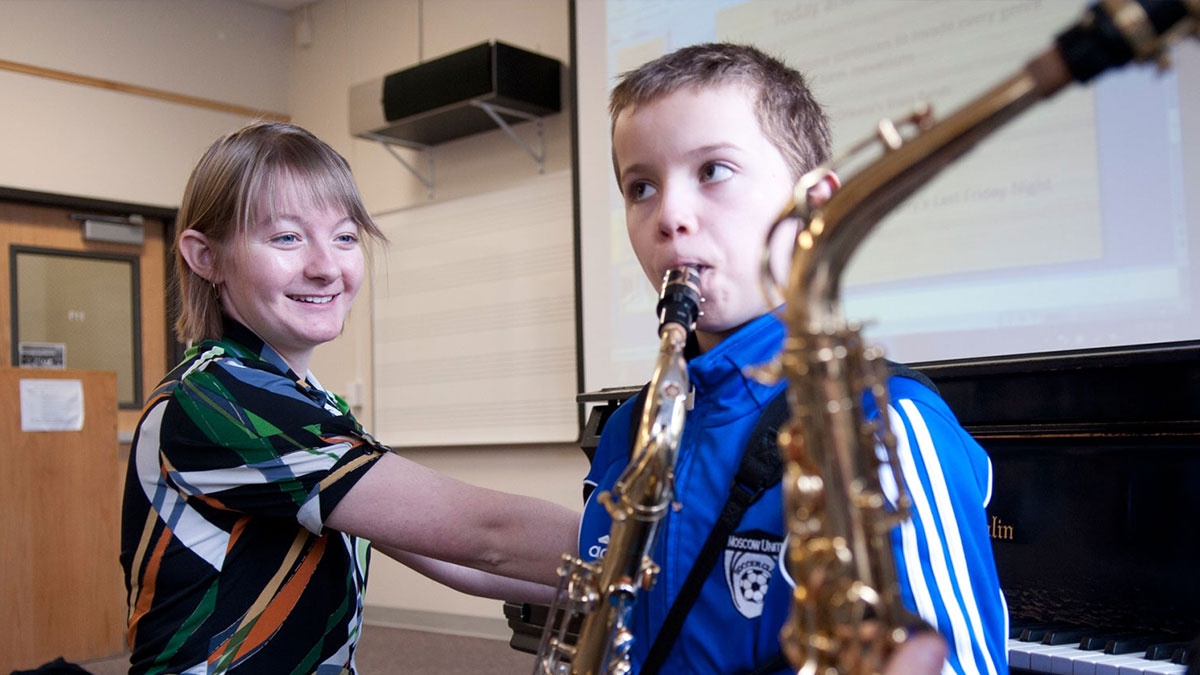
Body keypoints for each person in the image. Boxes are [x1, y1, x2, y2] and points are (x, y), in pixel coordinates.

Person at [576, 43, 1009, 674]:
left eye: (713, 171)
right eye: (640, 186)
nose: (668, 216)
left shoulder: (882, 425)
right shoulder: (629, 429)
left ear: (817, 205)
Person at [120, 121, 580, 674]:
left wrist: (616, 586)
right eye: (286, 237)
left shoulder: (308, 402)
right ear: (204, 256)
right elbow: (488, 535)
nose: (326, 266)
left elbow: (460, 557)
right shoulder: (221, 402)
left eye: (343, 236)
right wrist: (669, 550)